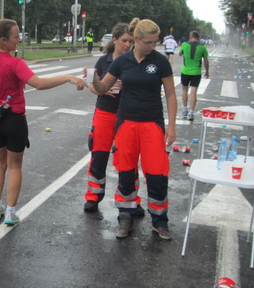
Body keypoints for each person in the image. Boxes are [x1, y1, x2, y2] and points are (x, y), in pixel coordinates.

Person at [0, 19, 86, 225]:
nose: (19, 40)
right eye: (15, 37)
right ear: (3, 40)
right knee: (15, 166)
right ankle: (11, 213)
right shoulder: (15, 63)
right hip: (14, 119)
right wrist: (68, 77)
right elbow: (39, 84)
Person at [91, 18, 177, 240]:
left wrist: (172, 126)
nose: (152, 46)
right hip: (126, 123)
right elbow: (103, 87)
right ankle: (125, 217)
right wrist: (95, 80)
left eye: (155, 42)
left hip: (152, 124)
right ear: (137, 39)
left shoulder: (160, 62)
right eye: (148, 42)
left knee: (157, 173)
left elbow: (170, 94)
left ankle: (159, 221)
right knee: (126, 171)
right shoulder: (122, 62)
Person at [82, 23, 139, 214]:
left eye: (131, 41)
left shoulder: (134, 61)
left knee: (127, 157)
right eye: (124, 40)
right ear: (114, 40)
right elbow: (92, 85)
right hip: (105, 112)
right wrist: (101, 89)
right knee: (98, 154)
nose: (127, 45)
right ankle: (93, 196)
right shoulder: (104, 61)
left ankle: (132, 200)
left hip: (127, 114)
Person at [178, 30, 209, 121]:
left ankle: (184, 109)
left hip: (185, 71)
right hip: (196, 72)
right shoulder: (202, 47)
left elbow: (180, 54)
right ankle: (191, 113)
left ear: (190, 37)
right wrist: (207, 71)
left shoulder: (184, 45)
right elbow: (206, 61)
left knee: (184, 90)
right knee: (193, 92)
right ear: (198, 38)